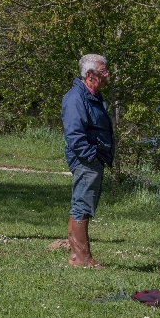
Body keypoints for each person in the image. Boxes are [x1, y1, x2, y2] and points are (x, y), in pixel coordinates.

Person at [61, 54, 114, 268]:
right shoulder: (76, 98)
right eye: (103, 72)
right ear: (89, 75)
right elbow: (74, 134)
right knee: (82, 206)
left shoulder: (92, 95)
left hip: (92, 158)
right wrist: (91, 155)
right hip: (86, 159)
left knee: (81, 205)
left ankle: (75, 255)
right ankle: (83, 258)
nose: (107, 75)